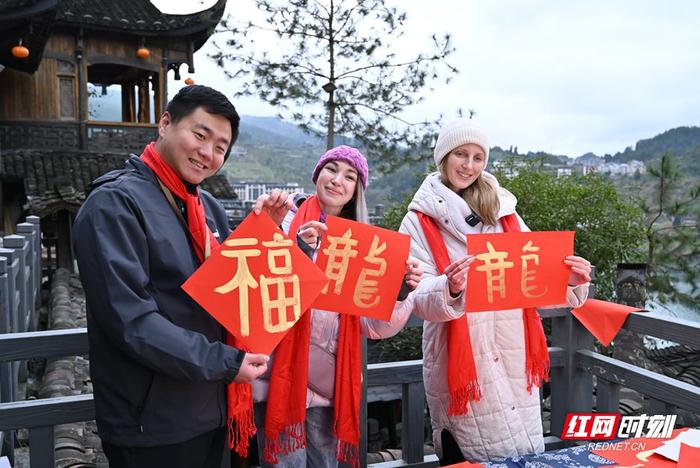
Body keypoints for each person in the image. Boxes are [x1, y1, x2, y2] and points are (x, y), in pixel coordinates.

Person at [73, 85, 269, 468]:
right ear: (165, 124)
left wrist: (283, 239)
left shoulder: (204, 204)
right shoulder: (114, 204)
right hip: (152, 422)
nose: (207, 153)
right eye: (200, 135)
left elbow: (242, 284)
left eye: (220, 148)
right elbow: (132, 321)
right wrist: (226, 363)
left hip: (213, 407)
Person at [399, 118, 592, 464]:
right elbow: (416, 292)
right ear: (444, 157)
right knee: (469, 454)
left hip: (512, 352)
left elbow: (534, 277)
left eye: (477, 157)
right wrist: (449, 287)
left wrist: (570, 281)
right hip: (461, 362)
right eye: (461, 154)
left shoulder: (506, 213)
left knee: (522, 451)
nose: (469, 165)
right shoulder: (418, 218)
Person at [250, 145, 423, 467]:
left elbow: (374, 325)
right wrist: (297, 252)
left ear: (357, 189)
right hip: (279, 375)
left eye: (350, 175)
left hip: (326, 379)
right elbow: (252, 292)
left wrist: (399, 292)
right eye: (331, 169)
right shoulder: (281, 220)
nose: (337, 180)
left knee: (325, 462)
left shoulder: (364, 244)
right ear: (317, 173)